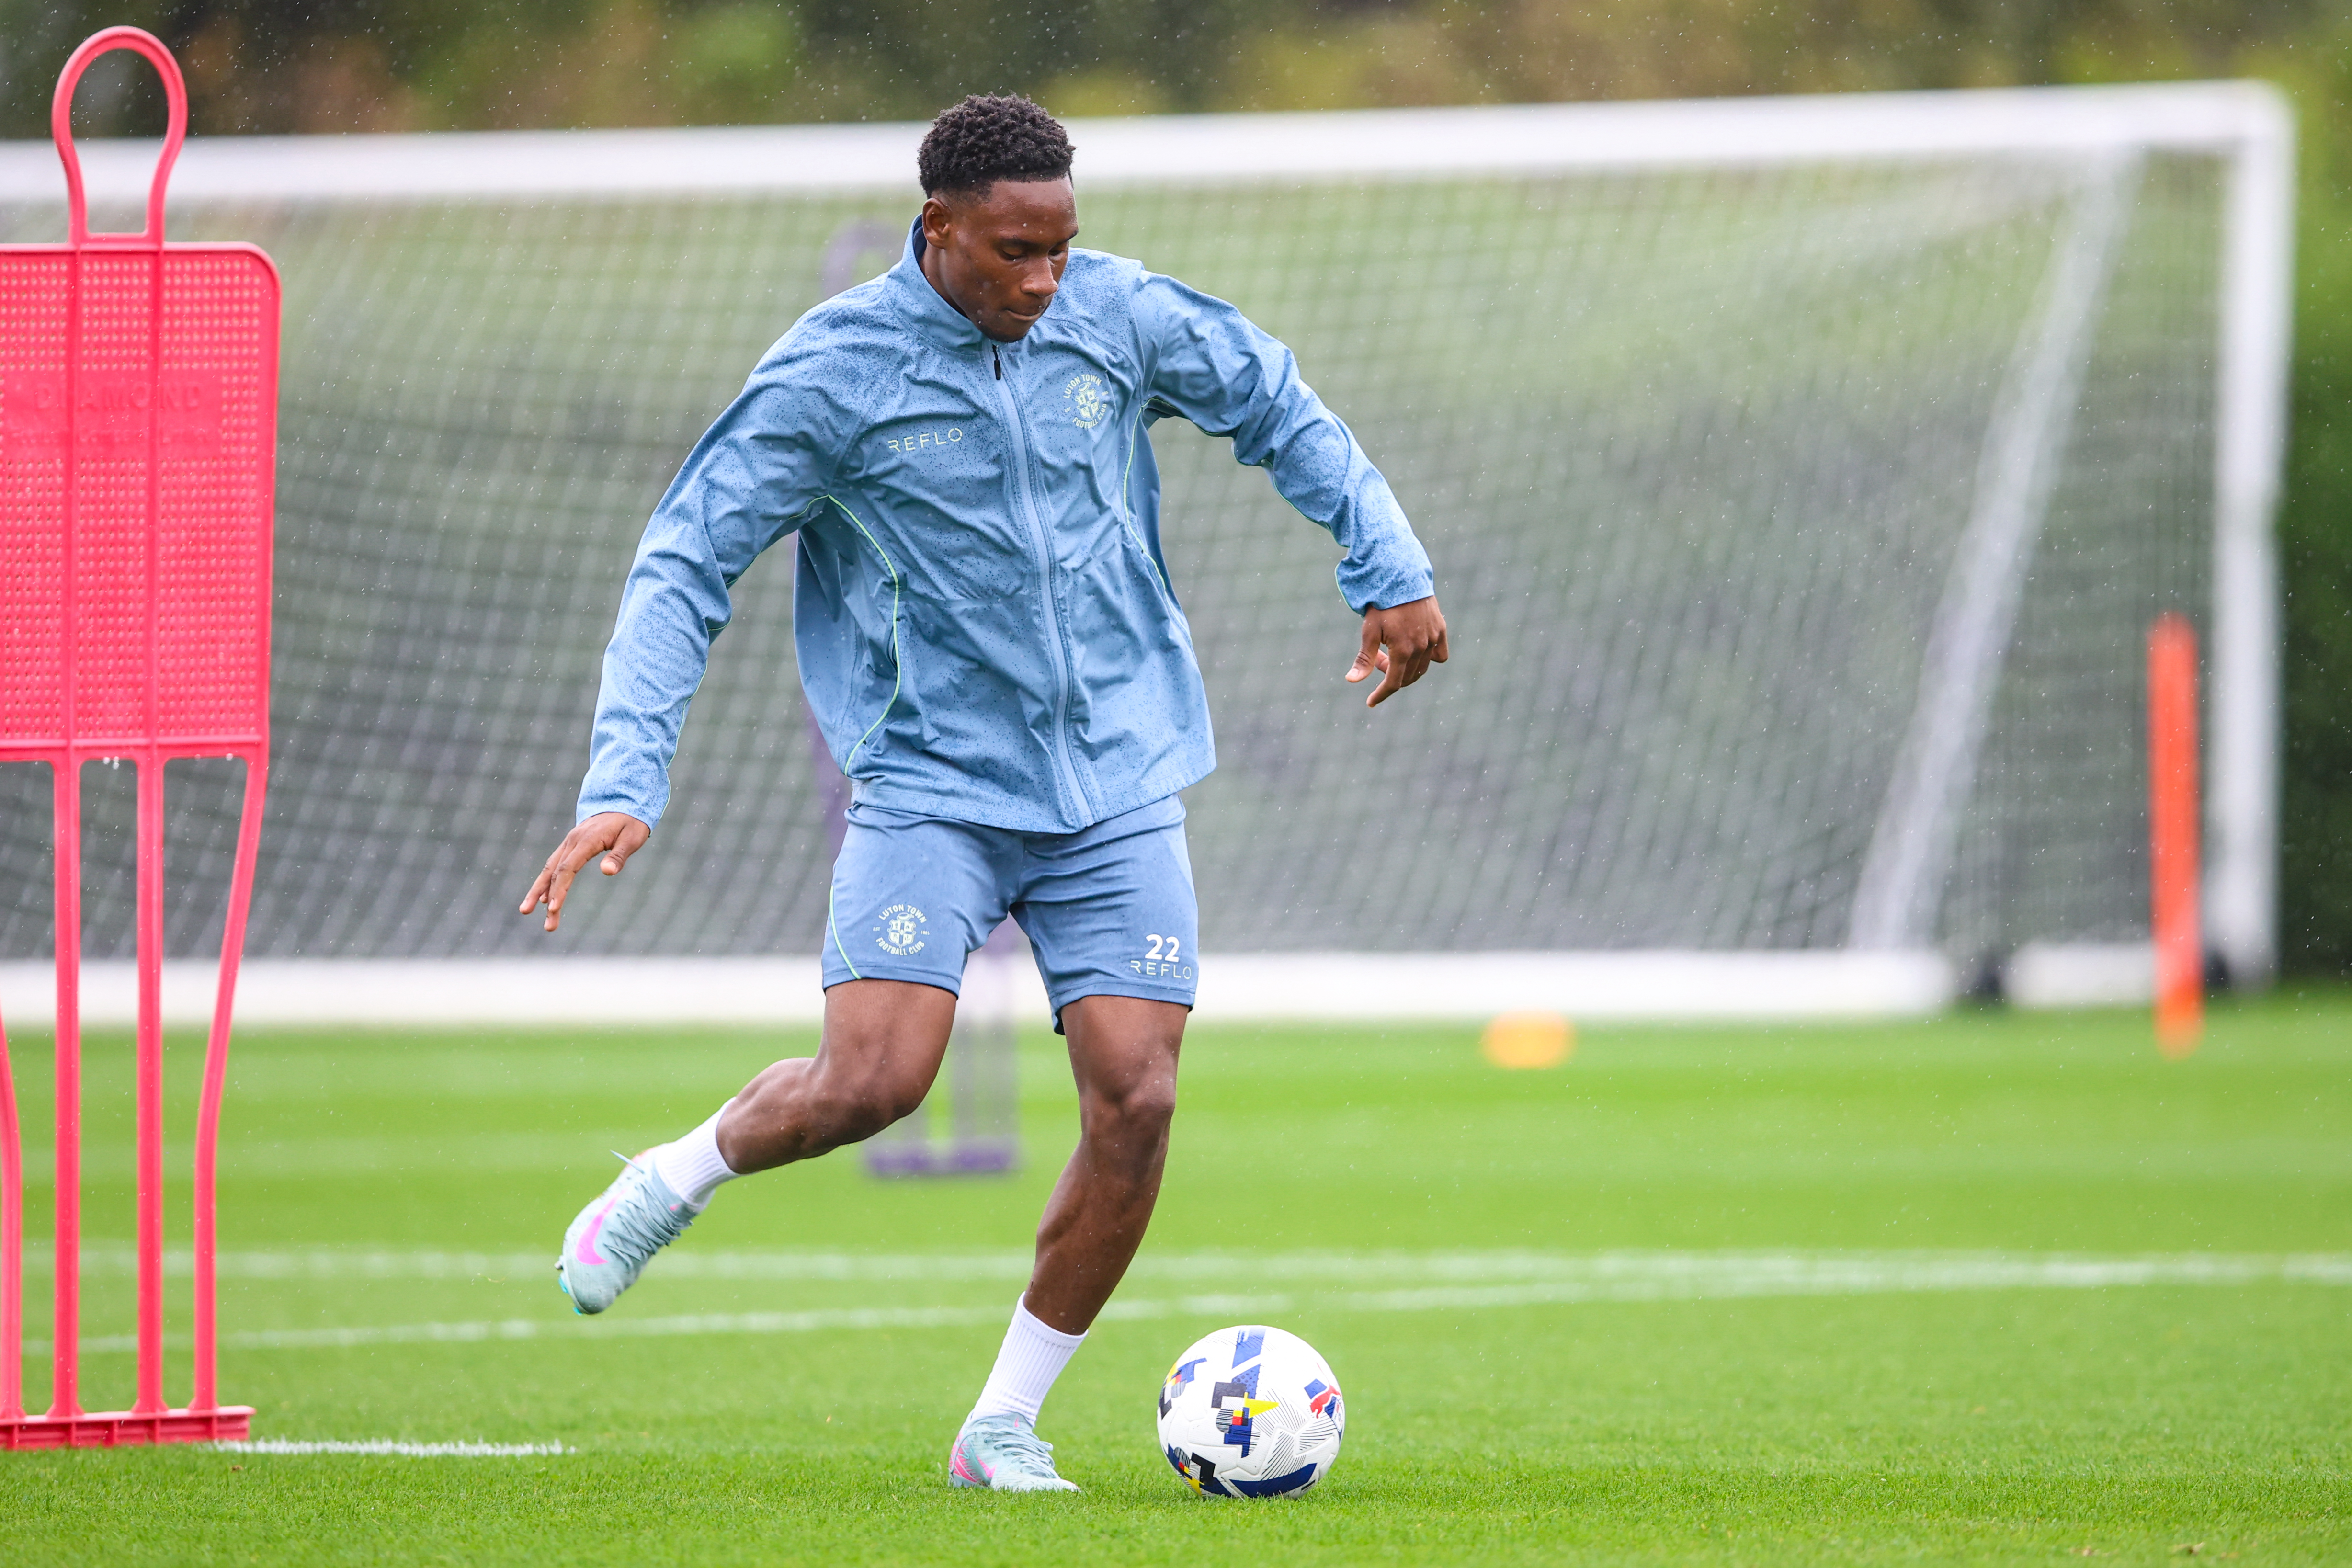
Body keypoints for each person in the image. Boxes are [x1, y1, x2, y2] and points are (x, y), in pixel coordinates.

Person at [519, 93, 1447, 1492]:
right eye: (1015, 251)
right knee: (877, 1082)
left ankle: (1002, 1422)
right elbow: (685, 560)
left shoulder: (1115, 315)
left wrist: (1390, 565)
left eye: (1063, 247)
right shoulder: (833, 373)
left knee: (1136, 1099)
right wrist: (625, 774)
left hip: (1116, 775)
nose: (1044, 279)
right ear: (937, 229)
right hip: (932, 786)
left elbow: (1272, 397)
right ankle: (677, 1172)